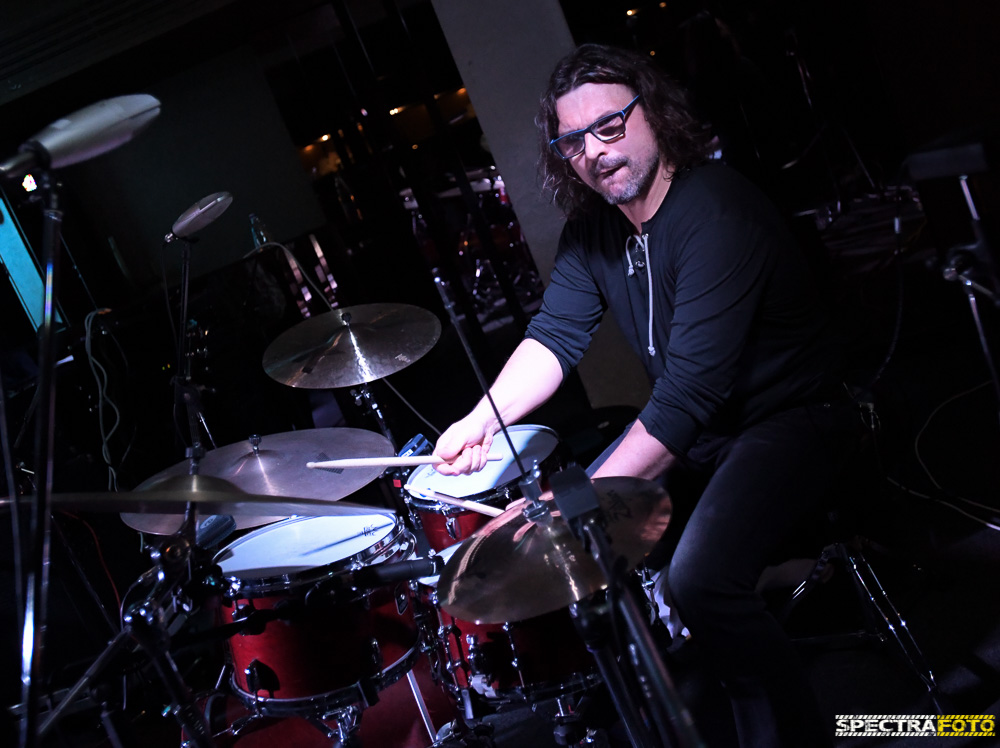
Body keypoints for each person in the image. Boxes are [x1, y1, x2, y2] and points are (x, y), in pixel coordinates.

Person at [434, 43, 859, 748]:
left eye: (610, 126)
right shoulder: (595, 232)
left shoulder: (715, 210)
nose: (595, 152)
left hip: (796, 418)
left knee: (697, 580)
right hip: (708, 435)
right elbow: (554, 337)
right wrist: (480, 420)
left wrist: (566, 506)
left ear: (654, 114)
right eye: (573, 141)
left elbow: (685, 397)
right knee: (601, 556)